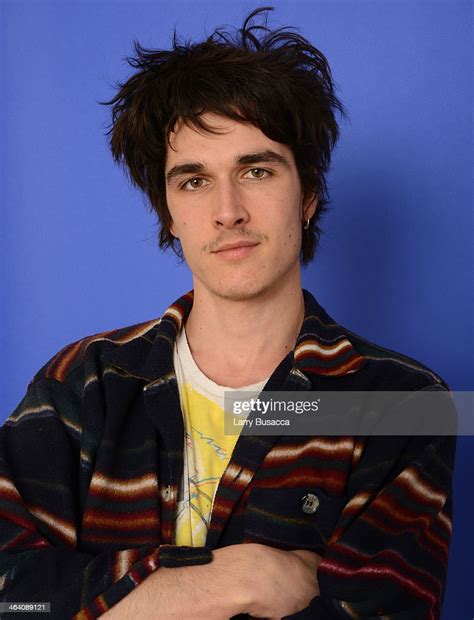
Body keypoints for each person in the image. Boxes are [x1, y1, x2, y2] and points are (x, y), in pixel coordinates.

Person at [0, 8, 455, 619]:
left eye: (257, 170)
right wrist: (239, 579)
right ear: (167, 211)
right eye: (193, 181)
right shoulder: (84, 382)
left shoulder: (404, 402)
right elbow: (11, 594)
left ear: (309, 193)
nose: (227, 210)